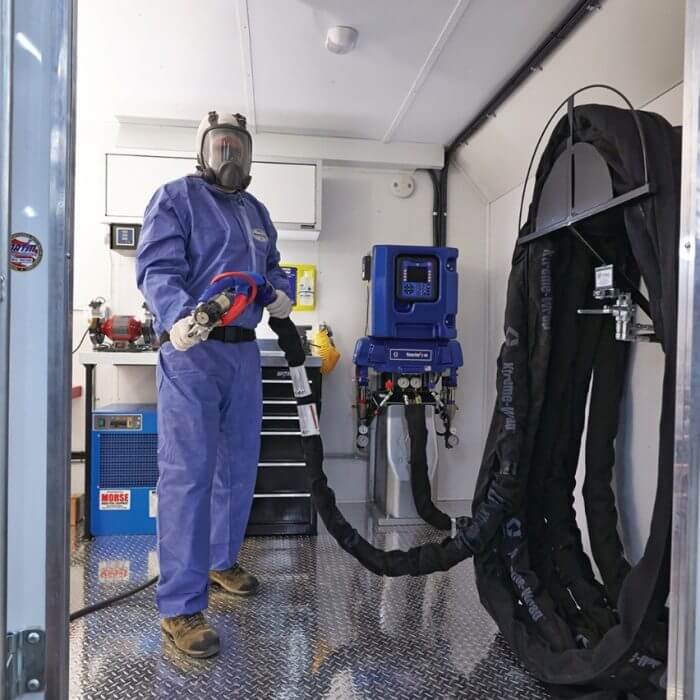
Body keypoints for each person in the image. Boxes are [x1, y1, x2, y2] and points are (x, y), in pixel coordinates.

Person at [136, 110, 293, 658]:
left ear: (249, 154)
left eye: (238, 148)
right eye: (220, 146)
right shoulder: (175, 198)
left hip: (243, 354)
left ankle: (221, 561)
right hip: (192, 349)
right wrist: (178, 316)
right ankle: (180, 608)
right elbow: (157, 268)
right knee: (189, 473)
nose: (230, 157)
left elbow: (271, 267)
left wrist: (279, 292)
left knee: (238, 465)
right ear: (204, 151)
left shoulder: (257, 212)